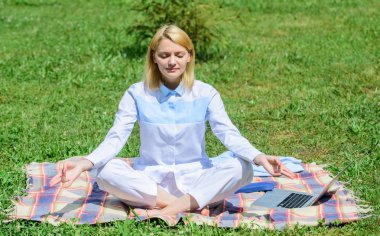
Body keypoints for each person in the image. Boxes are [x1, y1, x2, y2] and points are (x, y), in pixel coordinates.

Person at [50, 25, 295, 218]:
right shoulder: (136, 93)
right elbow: (116, 137)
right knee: (104, 170)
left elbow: (228, 133)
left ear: (189, 56)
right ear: (153, 58)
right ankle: (187, 206)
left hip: (197, 177)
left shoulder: (206, 93)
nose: (172, 62)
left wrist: (259, 156)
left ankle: (167, 211)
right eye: (164, 55)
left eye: (179, 54)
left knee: (243, 167)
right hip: (151, 182)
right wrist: (85, 163)